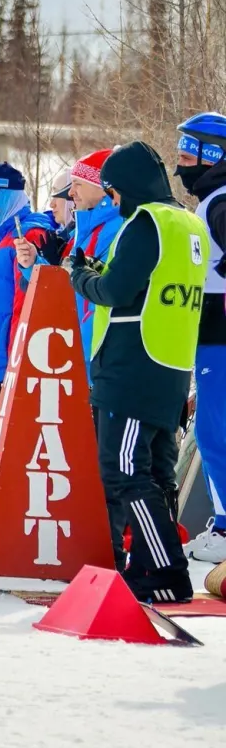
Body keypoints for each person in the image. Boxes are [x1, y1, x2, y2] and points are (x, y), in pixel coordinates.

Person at [70, 141, 205, 604]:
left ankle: (165, 570)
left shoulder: (146, 222)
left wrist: (80, 276)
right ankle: (151, 567)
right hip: (169, 366)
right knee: (156, 474)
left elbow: (114, 289)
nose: (112, 201)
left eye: (112, 192)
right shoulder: (187, 222)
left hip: (132, 367)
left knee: (124, 472)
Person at [173, 114, 226, 563]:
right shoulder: (212, 199)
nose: (181, 166)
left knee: (213, 432)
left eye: (188, 155)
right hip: (211, 332)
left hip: (220, 334)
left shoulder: (219, 202)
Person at [0, 166, 54, 442]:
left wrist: (16, 362)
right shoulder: (1, 240)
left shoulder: (27, 235)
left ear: (4, 197)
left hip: (12, 365)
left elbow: (31, 301)